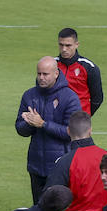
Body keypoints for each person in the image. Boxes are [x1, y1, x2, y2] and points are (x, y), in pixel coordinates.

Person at [15, 56, 81, 203]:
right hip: (36, 165)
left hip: (60, 167)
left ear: (56, 73)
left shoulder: (69, 98)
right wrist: (28, 123)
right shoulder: (29, 95)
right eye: (39, 74)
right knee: (39, 209)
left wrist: (43, 124)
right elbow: (20, 129)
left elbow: (73, 133)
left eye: (45, 74)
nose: (41, 78)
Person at [56, 28, 103, 116]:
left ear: (76, 44)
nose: (64, 49)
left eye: (68, 45)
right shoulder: (51, 65)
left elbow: (97, 99)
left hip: (79, 119)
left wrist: (85, 115)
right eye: (61, 45)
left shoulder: (89, 67)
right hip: (56, 119)